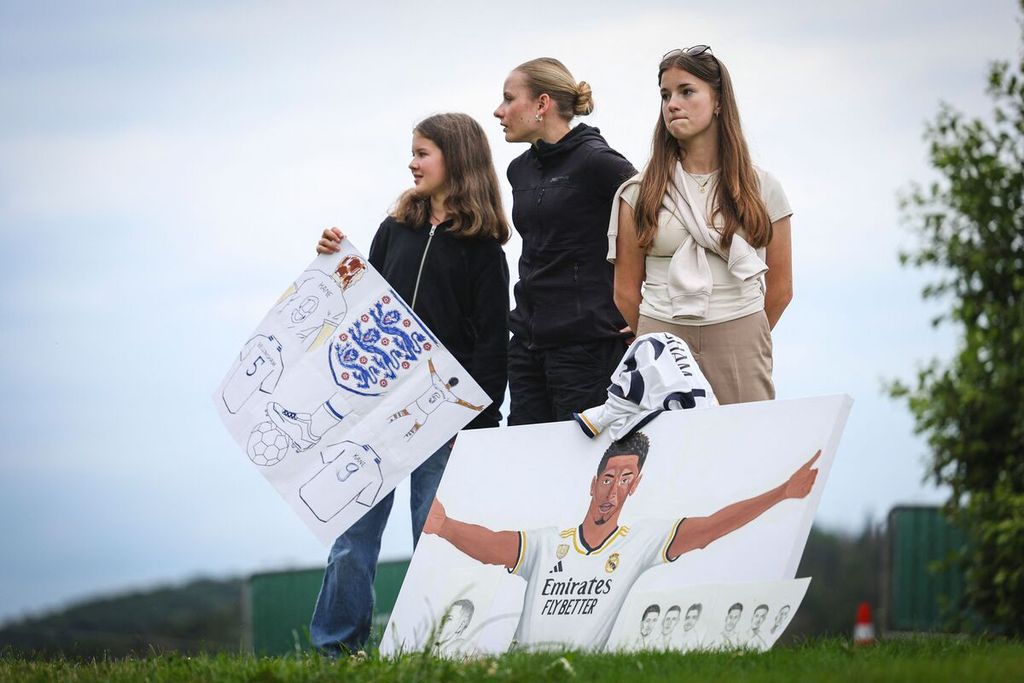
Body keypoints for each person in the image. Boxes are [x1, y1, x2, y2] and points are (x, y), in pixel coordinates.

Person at [309, 112, 511, 654]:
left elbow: (494, 342)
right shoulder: (392, 230)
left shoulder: (485, 250)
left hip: (444, 418)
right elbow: (364, 307)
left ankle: (438, 647)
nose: (412, 162)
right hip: (375, 411)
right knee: (352, 539)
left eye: (422, 152)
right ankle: (337, 650)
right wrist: (337, 261)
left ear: (456, 160)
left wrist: (481, 420)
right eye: (413, 152)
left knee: (433, 536)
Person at [423, 432, 821, 650]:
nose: (613, 491)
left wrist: (782, 492)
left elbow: (712, 527)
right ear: (594, 483)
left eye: (626, 479)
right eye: (609, 479)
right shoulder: (549, 542)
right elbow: (495, 546)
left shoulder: (642, 541)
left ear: (636, 486)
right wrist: (444, 526)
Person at [609, 46, 794, 405]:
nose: (672, 104)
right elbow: (625, 290)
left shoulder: (763, 187)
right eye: (665, 95)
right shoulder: (638, 191)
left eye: (686, 91)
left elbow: (782, 287)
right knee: (664, 455)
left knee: (745, 450)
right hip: (663, 331)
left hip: (741, 331)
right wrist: (655, 334)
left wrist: (744, 331)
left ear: (719, 101)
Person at [493, 57, 638, 425]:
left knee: (578, 466)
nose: (499, 111)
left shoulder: (600, 162)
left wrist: (644, 311)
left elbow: (655, 229)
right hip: (527, 345)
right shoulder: (519, 169)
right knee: (527, 462)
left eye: (509, 99)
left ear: (542, 104)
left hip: (587, 344)